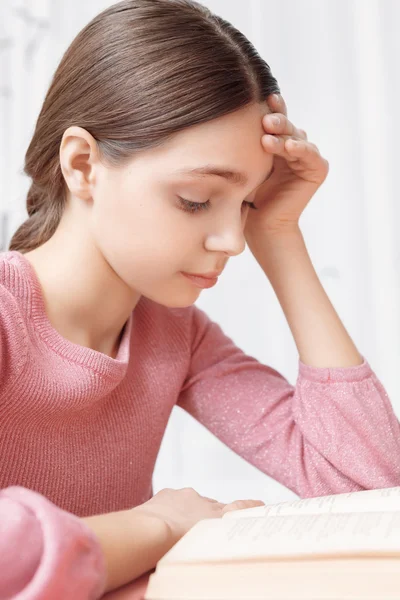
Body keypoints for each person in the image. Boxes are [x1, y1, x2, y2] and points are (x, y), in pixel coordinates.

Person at [1, 0, 399, 597]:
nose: (232, 240)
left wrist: (281, 237)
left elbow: (370, 487)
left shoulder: (176, 336)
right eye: (195, 199)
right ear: (83, 164)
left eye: (246, 204)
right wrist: (157, 525)